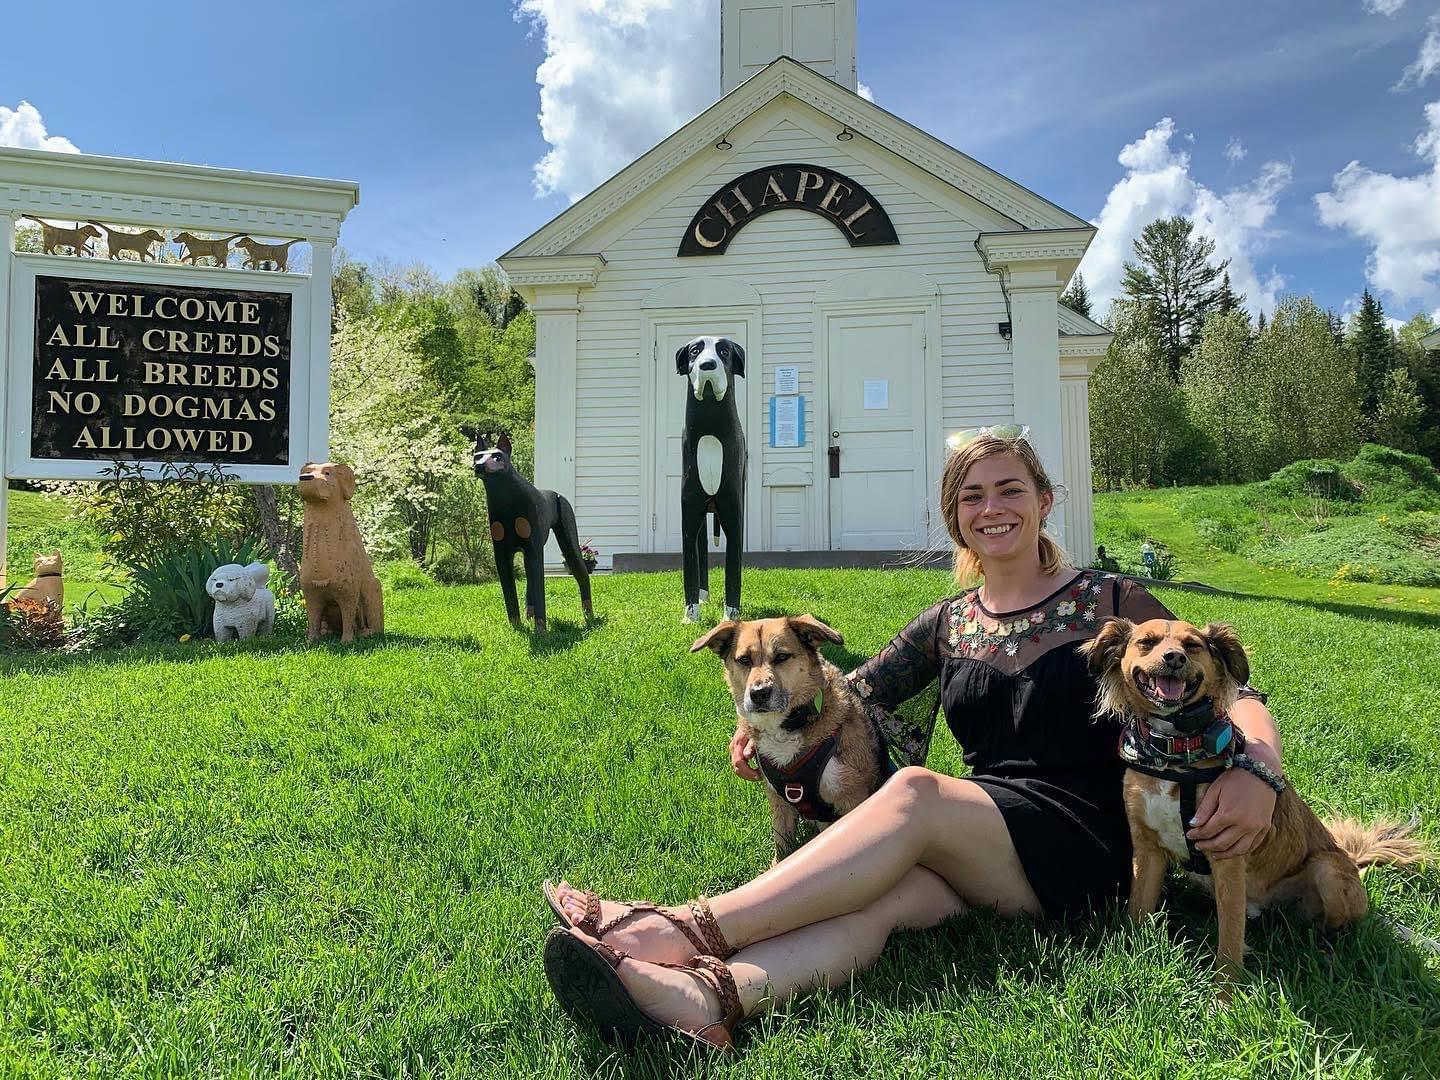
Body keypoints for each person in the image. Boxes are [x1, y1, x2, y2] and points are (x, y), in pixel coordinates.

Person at [543, 431, 1284, 1050]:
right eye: (972, 497)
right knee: (877, 905)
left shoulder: (1111, 603)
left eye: (1009, 489)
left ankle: (672, 929)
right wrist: (762, 729)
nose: (991, 508)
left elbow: (1234, 688)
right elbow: (845, 692)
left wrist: (1257, 768)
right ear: (955, 518)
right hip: (984, 832)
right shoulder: (949, 622)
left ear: (1044, 501)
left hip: (1086, 842)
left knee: (915, 790)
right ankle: (708, 1003)